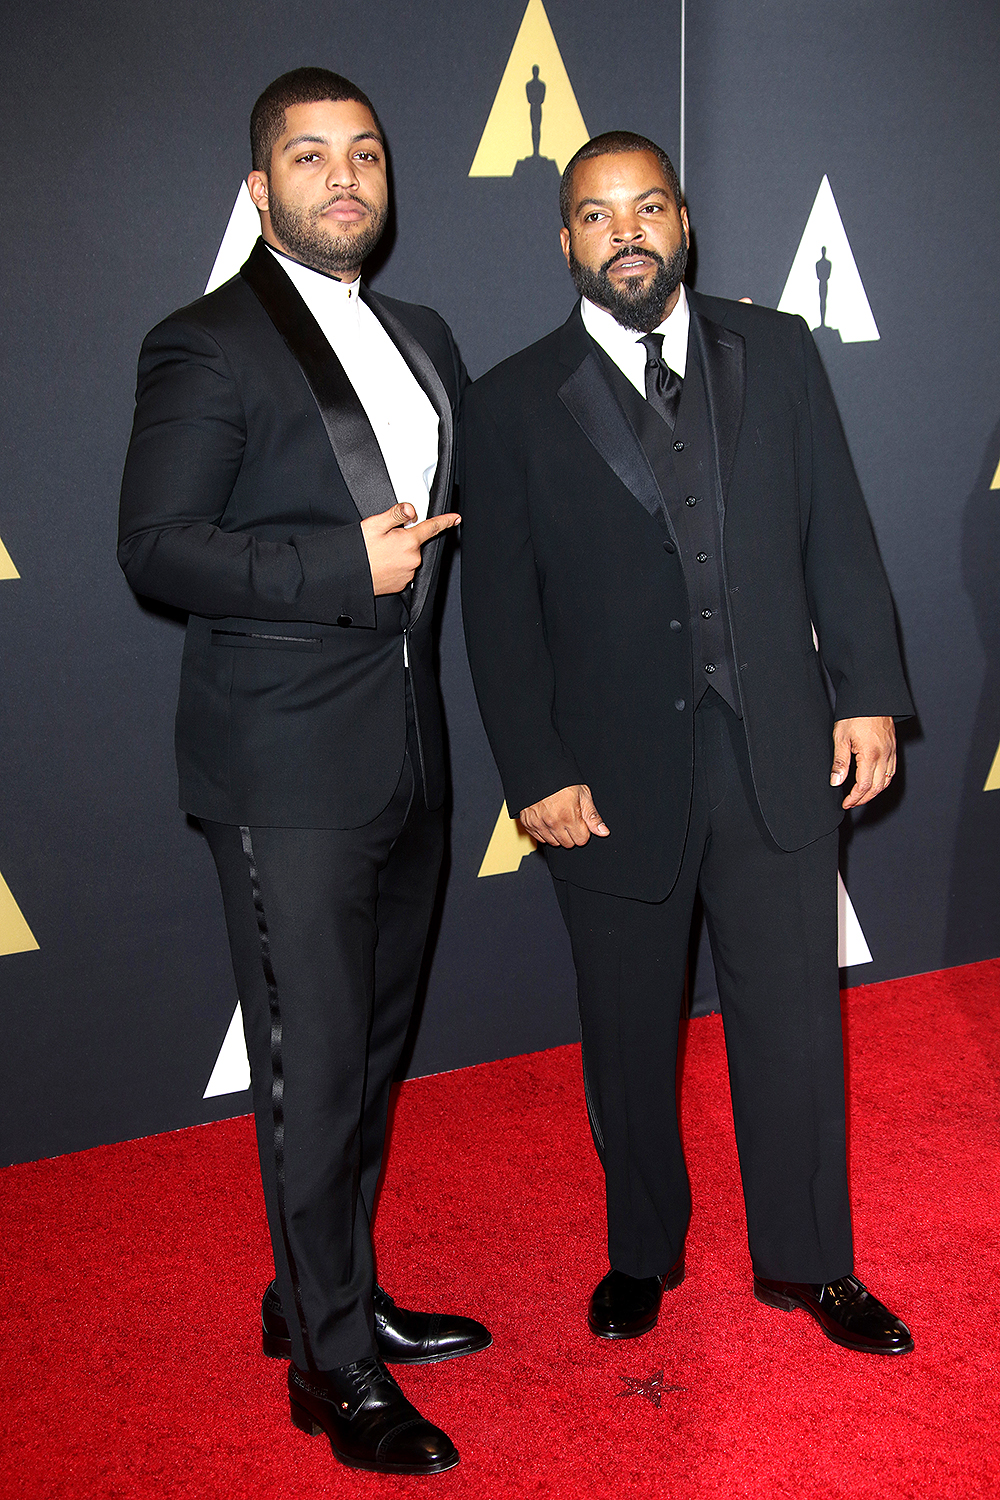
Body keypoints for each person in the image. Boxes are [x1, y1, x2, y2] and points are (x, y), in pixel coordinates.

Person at [461, 132, 915, 1358]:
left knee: (795, 1024)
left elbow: (840, 535)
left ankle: (811, 1263)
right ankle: (641, 1251)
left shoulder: (777, 351)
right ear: (564, 242)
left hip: (776, 746)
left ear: (684, 224)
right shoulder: (506, 402)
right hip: (606, 780)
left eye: (645, 207)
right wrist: (535, 770)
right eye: (595, 214)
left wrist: (865, 690)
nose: (625, 232)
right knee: (624, 1030)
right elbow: (497, 618)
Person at [118, 67, 490, 1477]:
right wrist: (346, 566)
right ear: (261, 188)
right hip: (282, 770)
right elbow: (154, 545)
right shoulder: (202, 345)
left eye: (369, 155)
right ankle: (332, 1370)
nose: (347, 177)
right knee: (317, 1066)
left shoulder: (425, 335)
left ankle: (318, 1290)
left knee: (373, 1057)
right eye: (311, 156)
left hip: (409, 753)